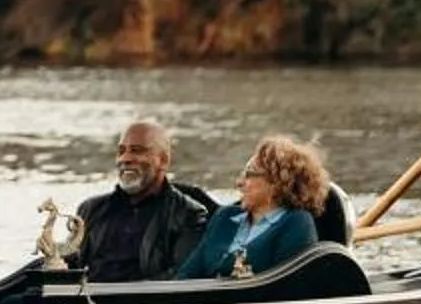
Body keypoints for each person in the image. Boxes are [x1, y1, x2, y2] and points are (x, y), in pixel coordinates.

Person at [174, 135, 331, 280]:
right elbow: (187, 275)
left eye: (249, 174)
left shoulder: (297, 223)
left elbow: (287, 287)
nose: (239, 183)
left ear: (277, 182)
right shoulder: (225, 217)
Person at [74, 120, 214, 282]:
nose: (125, 159)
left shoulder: (189, 216)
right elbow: (68, 264)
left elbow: (181, 277)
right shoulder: (90, 210)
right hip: (88, 302)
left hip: (145, 303)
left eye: (136, 151)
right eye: (121, 151)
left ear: (163, 161)